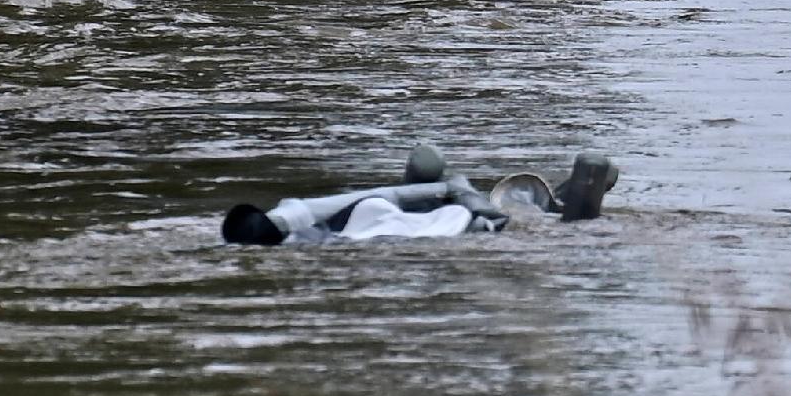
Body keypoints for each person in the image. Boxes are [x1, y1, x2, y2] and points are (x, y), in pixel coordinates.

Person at [220, 144, 617, 245]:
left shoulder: (304, 234)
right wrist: (452, 188)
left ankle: (577, 192)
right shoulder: (305, 229)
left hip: (438, 214)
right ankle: (581, 191)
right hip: (468, 220)